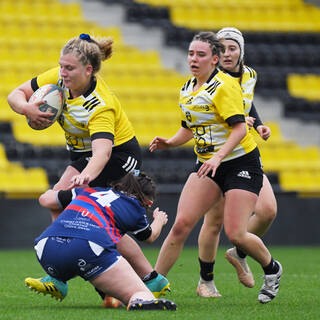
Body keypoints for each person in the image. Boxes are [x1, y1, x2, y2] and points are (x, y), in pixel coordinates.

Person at [7, 33, 169, 303]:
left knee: (82, 211)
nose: (62, 72)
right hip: (84, 156)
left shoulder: (100, 105)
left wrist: (86, 178)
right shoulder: (59, 78)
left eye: (69, 68)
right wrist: (28, 109)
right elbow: (15, 94)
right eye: (61, 66)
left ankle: (70, 280)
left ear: (88, 69)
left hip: (118, 158)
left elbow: (102, 153)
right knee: (62, 205)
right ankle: (149, 279)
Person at [149, 31, 282, 304]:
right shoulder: (187, 88)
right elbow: (190, 128)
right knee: (181, 225)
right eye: (191, 54)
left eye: (200, 55)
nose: (193, 59)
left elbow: (240, 127)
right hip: (208, 163)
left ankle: (272, 270)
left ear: (215, 59)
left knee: (236, 233)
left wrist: (219, 156)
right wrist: (170, 143)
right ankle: (149, 287)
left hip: (240, 162)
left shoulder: (224, 86)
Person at [196, 27, 278, 298]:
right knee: (214, 221)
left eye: (233, 48)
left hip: (244, 154)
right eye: (222, 48)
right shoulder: (212, 78)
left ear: (241, 50)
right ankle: (206, 281)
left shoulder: (250, 74)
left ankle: (239, 251)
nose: (228, 53)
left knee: (267, 210)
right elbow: (204, 116)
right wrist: (239, 121)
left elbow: (246, 105)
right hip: (217, 155)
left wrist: (260, 125)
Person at [24, 172, 177, 311]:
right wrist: (159, 220)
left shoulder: (89, 190)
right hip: (87, 249)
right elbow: (148, 237)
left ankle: (58, 279)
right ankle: (140, 299)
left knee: (107, 236)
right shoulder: (135, 206)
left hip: (45, 247)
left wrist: (53, 190)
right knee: (141, 292)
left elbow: (46, 200)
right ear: (145, 200)